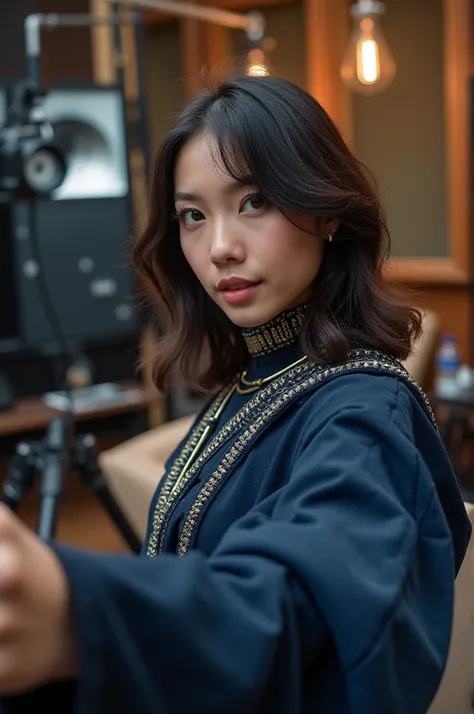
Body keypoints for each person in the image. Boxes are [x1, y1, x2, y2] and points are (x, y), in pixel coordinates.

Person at [0, 75, 470, 714]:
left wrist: (79, 615)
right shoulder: (248, 384)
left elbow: (298, 600)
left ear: (327, 210)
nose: (219, 247)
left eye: (253, 202)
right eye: (193, 216)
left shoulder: (364, 412)